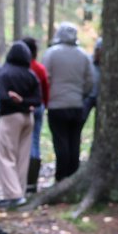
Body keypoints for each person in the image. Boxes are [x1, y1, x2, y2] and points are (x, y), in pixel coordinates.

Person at [41, 23, 94, 182]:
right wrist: (81, 94)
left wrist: (48, 98)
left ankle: (61, 176)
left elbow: (45, 79)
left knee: (60, 141)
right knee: (74, 141)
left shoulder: (51, 54)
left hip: (56, 106)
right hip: (77, 105)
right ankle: (73, 175)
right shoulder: (84, 55)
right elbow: (90, 80)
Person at [0, 41, 42, 208]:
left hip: (10, 118)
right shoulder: (31, 75)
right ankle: (18, 191)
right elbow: (37, 100)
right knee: (22, 157)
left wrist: (19, 101)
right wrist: (25, 104)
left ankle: (13, 195)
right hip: (28, 118)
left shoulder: (3, 73)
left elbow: (4, 98)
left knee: (4, 156)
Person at [22, 37, 49, 193]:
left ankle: (27, 179)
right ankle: (32, 181)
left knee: (26, 143)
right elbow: (45, 88)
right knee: (35, 141)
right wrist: (45, 103)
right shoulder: (39, 68)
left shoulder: (23, 67)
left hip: (25, 107)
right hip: (38, 106)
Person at [83, 38, 102, 125]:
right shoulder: (87, 60)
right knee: (82, 118)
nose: (98, 53)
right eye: (97, 50)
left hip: (101, 96)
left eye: (100, 50)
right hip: (89, 96)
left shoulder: (107, 64)